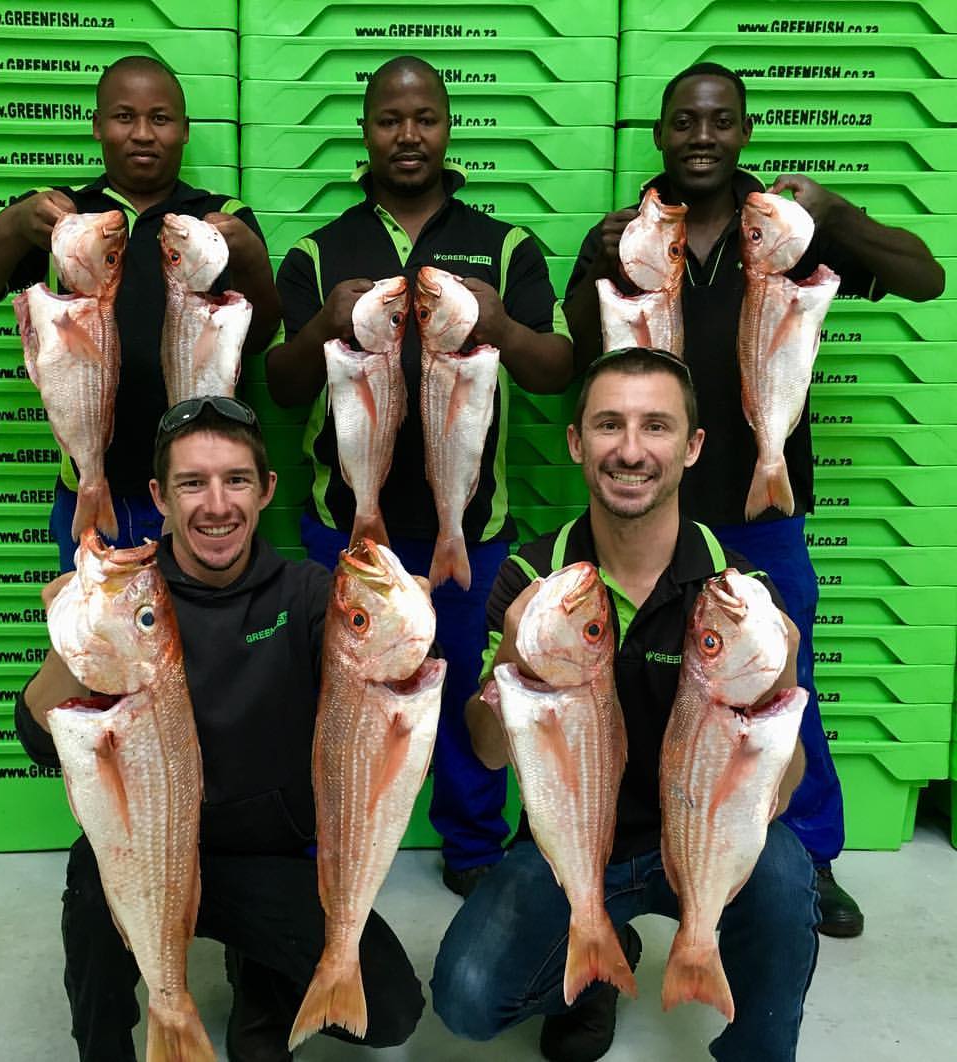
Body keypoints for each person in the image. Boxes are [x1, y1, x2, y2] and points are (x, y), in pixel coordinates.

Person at [563, 62, 946, 938]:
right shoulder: (625, 235)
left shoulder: (790, 230)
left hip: (761, 512)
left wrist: (839, 217)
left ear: (744, 131)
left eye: (720, 120)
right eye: (684, 121)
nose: (701, 136)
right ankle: (629, 851)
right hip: (644, 517)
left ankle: (808, 859)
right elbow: (577, 362)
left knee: (782, 687)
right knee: (623, 685)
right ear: (658, 134)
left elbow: (925, 278)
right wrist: (604, 271)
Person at [432, 347, 816, 1062]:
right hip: (573, 843)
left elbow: (785, 790)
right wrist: (515, 656)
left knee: (786, 877)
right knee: (465, 996)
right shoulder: (530, 579)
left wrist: (781, 678)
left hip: (702, 841)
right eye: (609, 425)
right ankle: (600, 964)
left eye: (656, 427)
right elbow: (486, 751)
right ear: (577, 443)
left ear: (692, 447)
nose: (631, 450)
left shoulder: (741, 594)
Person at [13, 396, 424, 1062]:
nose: (216, 505)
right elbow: (38, 743)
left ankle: (260, 974)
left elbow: (386, 716)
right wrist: (72, 648)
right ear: (160, 497)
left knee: (390, 1009)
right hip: (155, 850)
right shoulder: (129, 599)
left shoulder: (308, 595)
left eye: (235, 480)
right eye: (191, 483)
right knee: (91, 880)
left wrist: (401, 632)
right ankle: (105, 1046)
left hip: (269, 860)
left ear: (265, 490)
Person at [269, 55, 574, 898]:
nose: (408, 135)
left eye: (425, 118)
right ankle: (337, 847)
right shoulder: (317, 252)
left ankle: (473, 847)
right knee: (346, 699)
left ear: (448, 127)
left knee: (472, 688)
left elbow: (555, 370)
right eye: (389, 119)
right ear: (365, 131)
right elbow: (282, 386)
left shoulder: (507, 245)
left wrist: (501, 323)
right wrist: (323, 328)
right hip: (347, 528)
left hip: (469, 530)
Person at [0, 56, 282, 573]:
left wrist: (251, 257)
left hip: (199, 491)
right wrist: (13, 225)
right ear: (97, 126)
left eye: (160, 118)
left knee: (197, 624)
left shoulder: (219, 218)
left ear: (185, 131)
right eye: (125, 117)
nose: (143, 133)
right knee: (96, 623)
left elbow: (258, 339)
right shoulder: (61, 215)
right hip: (91, 481)